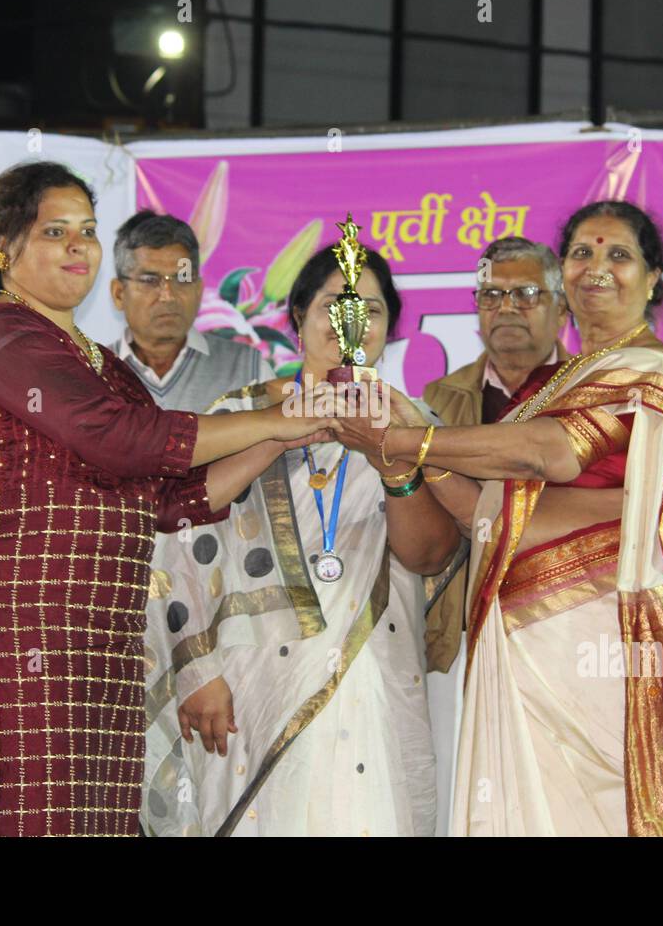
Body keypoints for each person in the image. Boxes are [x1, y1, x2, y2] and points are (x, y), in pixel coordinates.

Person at [0, 161, 334, 837]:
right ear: (4, 247)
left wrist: (284, 439)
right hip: (7, 615)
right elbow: (121, 440)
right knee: (29, 821)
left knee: (94, 823)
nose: (78, 245)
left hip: (93, 627)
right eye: (55, 231)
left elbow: (172, 499)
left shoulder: (94, 363)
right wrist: (272, 418)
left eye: (86, 230)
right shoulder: (0, 335)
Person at [339, 200, 663, 836]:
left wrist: (404, 443)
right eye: (582, 253)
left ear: (654, 279)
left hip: (602, 649)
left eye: (620, 255)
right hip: (522, 650)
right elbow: (487, 512)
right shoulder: (552, 389)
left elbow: (550, 454)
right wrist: (407, 434)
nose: (597, 268)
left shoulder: (652, 372)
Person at [142, 243, 461, 836]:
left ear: (390, 327)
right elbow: (176, 537)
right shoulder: (240, 413)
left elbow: (430, 556)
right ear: (295, 320)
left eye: (370, 308)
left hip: (371, 675)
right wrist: (195, 671)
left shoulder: (416, 427)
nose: (350, 324)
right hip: (242, 688)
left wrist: (394, 456)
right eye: (334, 305)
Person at [422, 236, 570, 674]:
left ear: (561, 310)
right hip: (466, 631)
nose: (506, 307)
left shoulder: (592, 396)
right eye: (491, 294)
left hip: (563, 622)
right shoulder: (439, 400)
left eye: (526, 293)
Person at [110, 210, 273, 412]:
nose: (168, 295)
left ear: (198, 289)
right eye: (150, 281)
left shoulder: (248, 368)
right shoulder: (93, 374)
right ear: (119, 294)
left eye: (182, 279)